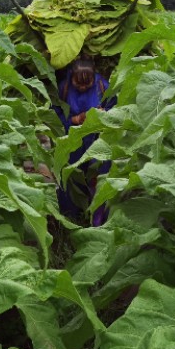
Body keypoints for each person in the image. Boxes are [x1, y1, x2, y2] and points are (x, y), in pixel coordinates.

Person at [54, 55, 114, 225]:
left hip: (97, 140)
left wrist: (103, 114)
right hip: (72, 141)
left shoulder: (103, 87)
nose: (81, 87)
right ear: (70, 76)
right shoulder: (63, 89)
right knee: (71, 177)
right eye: (77, 83)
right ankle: (70, 218)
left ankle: (99, 220)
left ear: (94, 78)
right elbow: (54, 115)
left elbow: (115, 110)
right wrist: (75, 120)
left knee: (101, 177)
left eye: (86, 84)